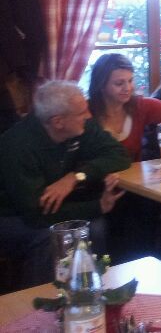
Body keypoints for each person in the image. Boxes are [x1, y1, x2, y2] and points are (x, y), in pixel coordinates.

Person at [0, 81, 130, 285]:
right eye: (82, 112)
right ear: (58, 122)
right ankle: (43, 299)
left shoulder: (81, 127)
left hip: (51, 208)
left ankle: (95, 289)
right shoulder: (17, 146)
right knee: (51, 237)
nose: (89, 115)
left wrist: (75, 176)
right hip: (12, 215)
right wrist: (97, 206)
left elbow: (120, 155)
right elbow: (36, 215)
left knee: (98, 226)